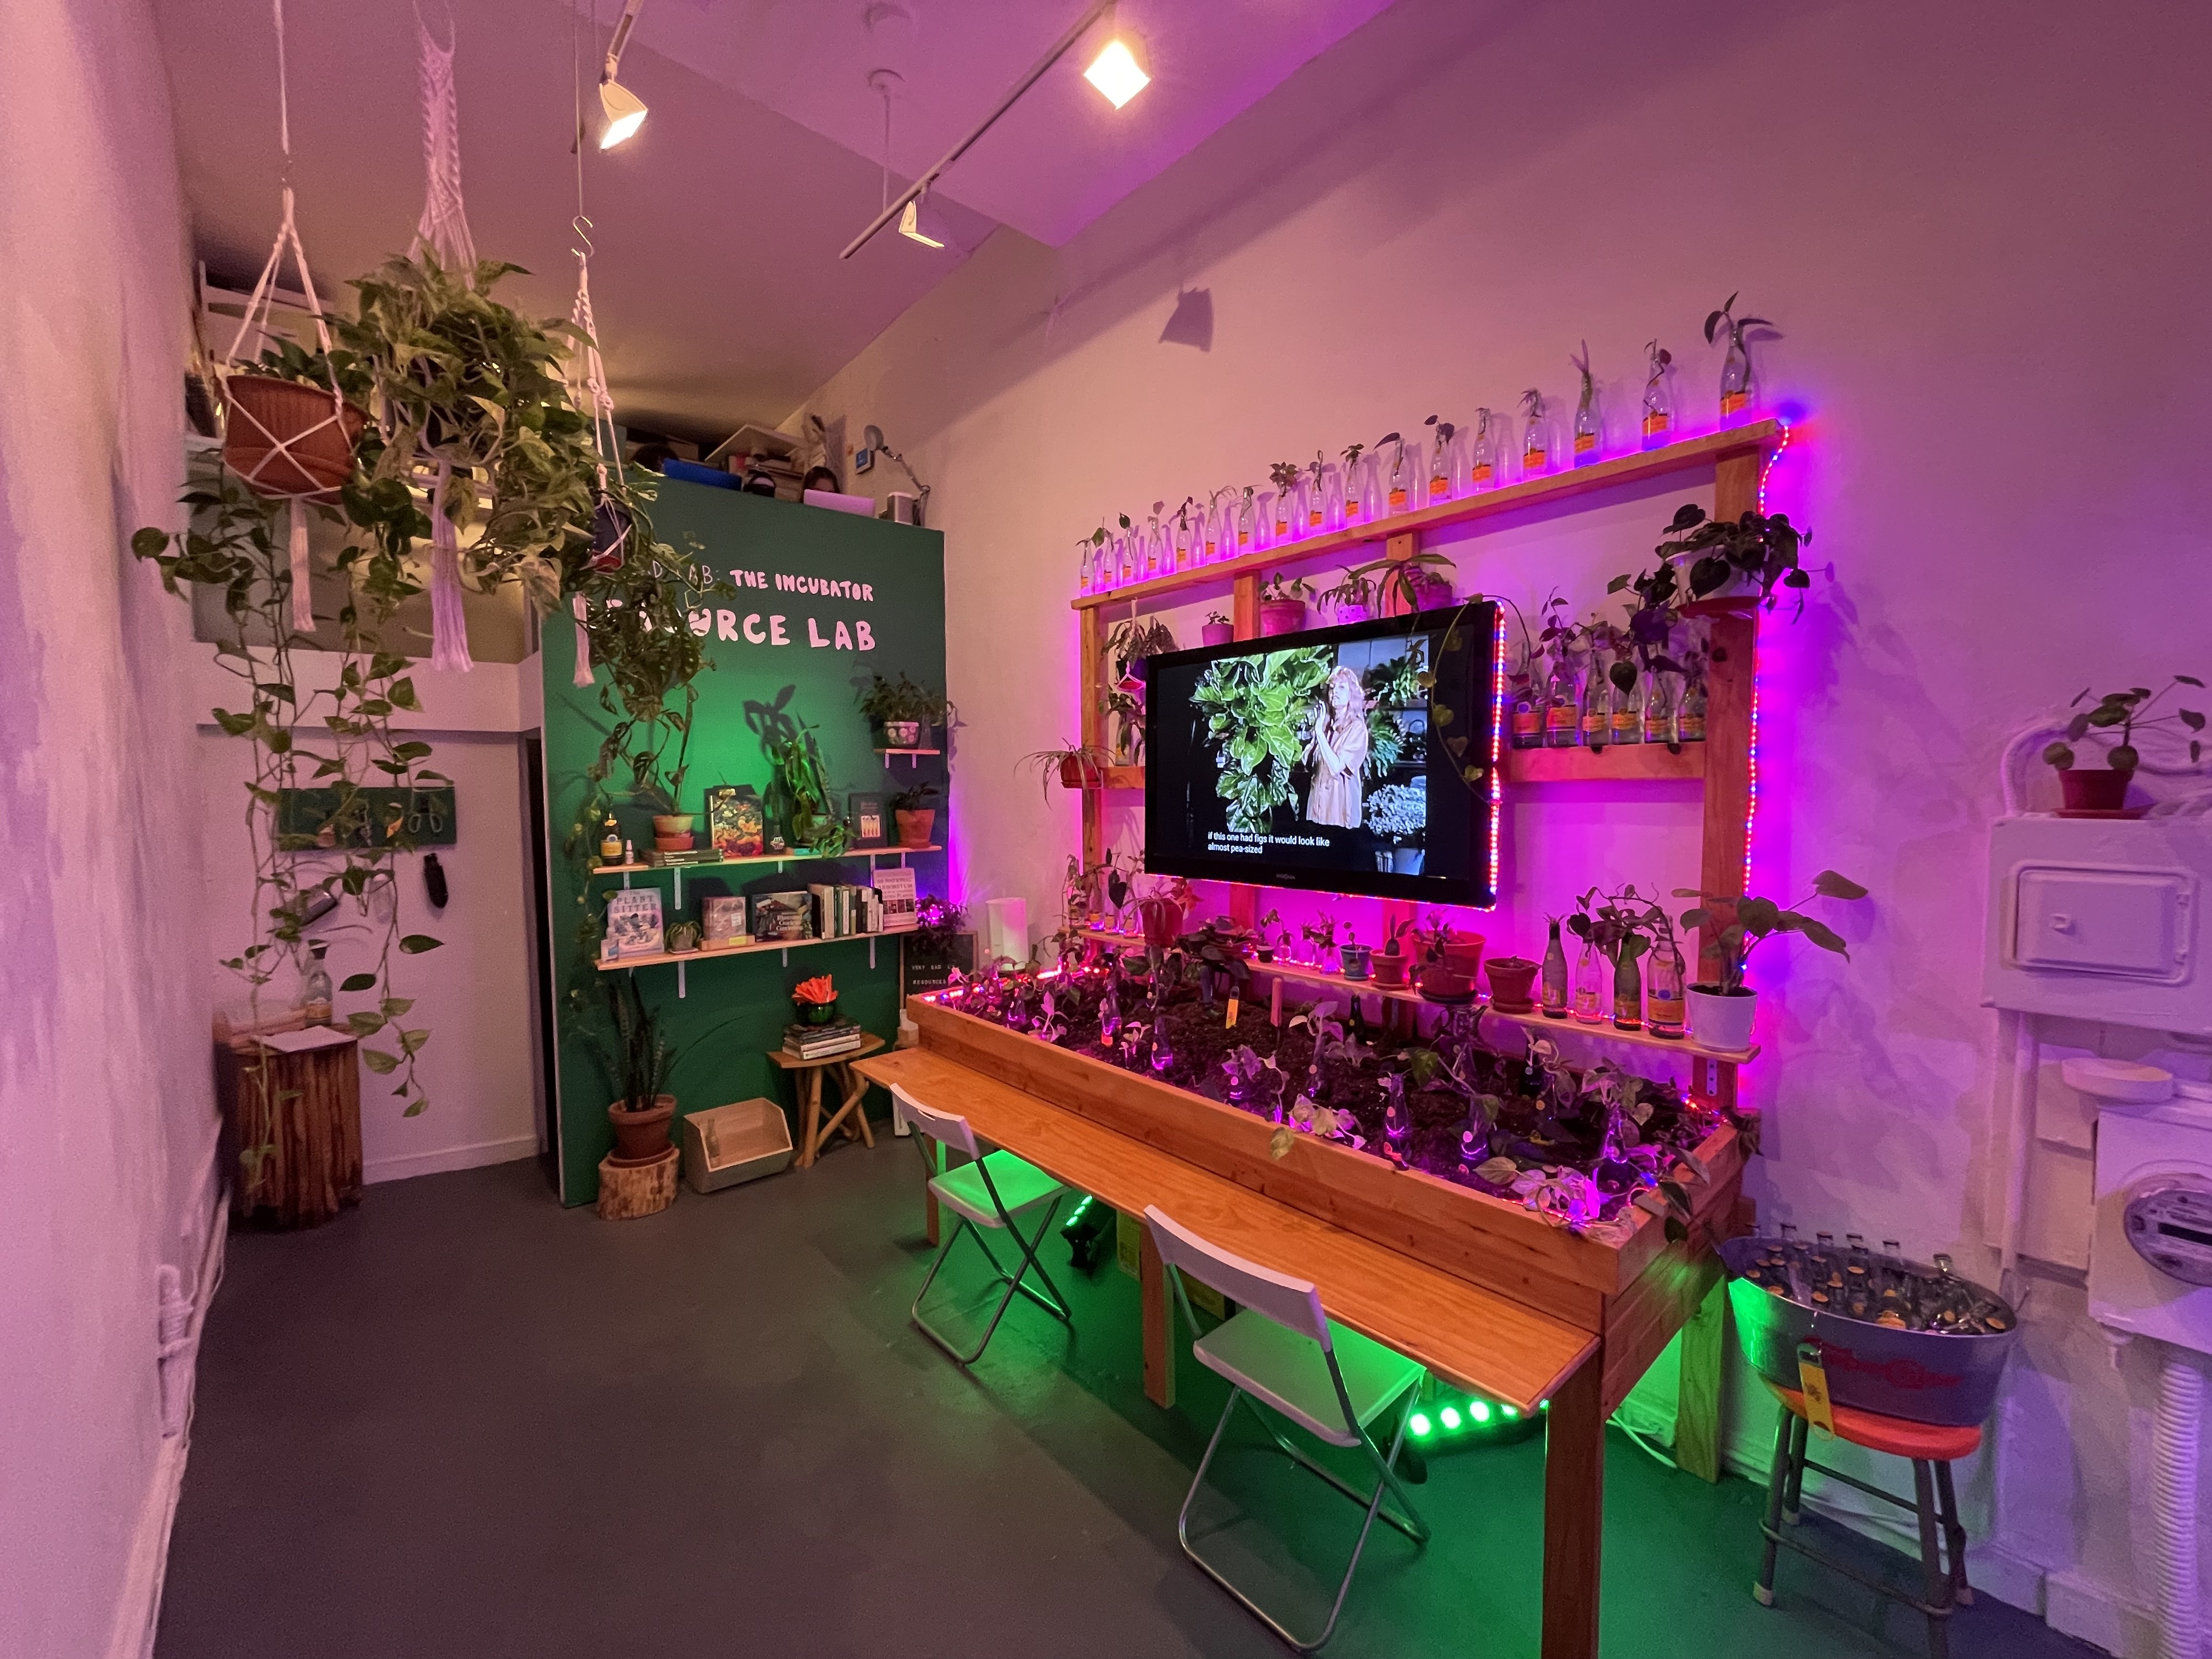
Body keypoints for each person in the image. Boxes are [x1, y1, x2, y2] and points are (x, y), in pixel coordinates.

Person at [1304, 664, 1369, 828]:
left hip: (1340, 811)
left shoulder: (1357, 728)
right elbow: (1308, 763)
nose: (1335, 692)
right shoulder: (1325, 725)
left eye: (1342, 687)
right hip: (1317, 808)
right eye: (1332, 688)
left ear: (1351, 694)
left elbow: (1336, 767)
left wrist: (1319, 733)